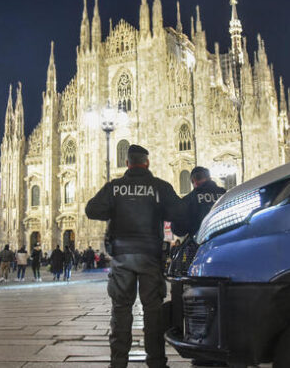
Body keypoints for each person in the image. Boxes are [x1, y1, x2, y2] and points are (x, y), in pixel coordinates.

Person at [86, 144, 181, 368]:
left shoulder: (115, 187)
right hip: (150, 256)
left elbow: (92, 210)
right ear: (147, 163)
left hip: (122, 257)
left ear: (127, 164)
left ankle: (118, 363)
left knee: (120, 311)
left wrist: (113, 209)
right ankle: (157, 362)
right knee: (153, 312)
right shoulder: (160, 187)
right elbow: (179, 213)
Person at [171, 166, 227, 367]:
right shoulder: (224, 195)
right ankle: (227, 342)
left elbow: (178, 228)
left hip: (201, 256)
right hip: (229, 253)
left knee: (200, 299)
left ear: (193, 181)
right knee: (227, 298)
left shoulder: (190, 200)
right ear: (209, 177)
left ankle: (202, 347)